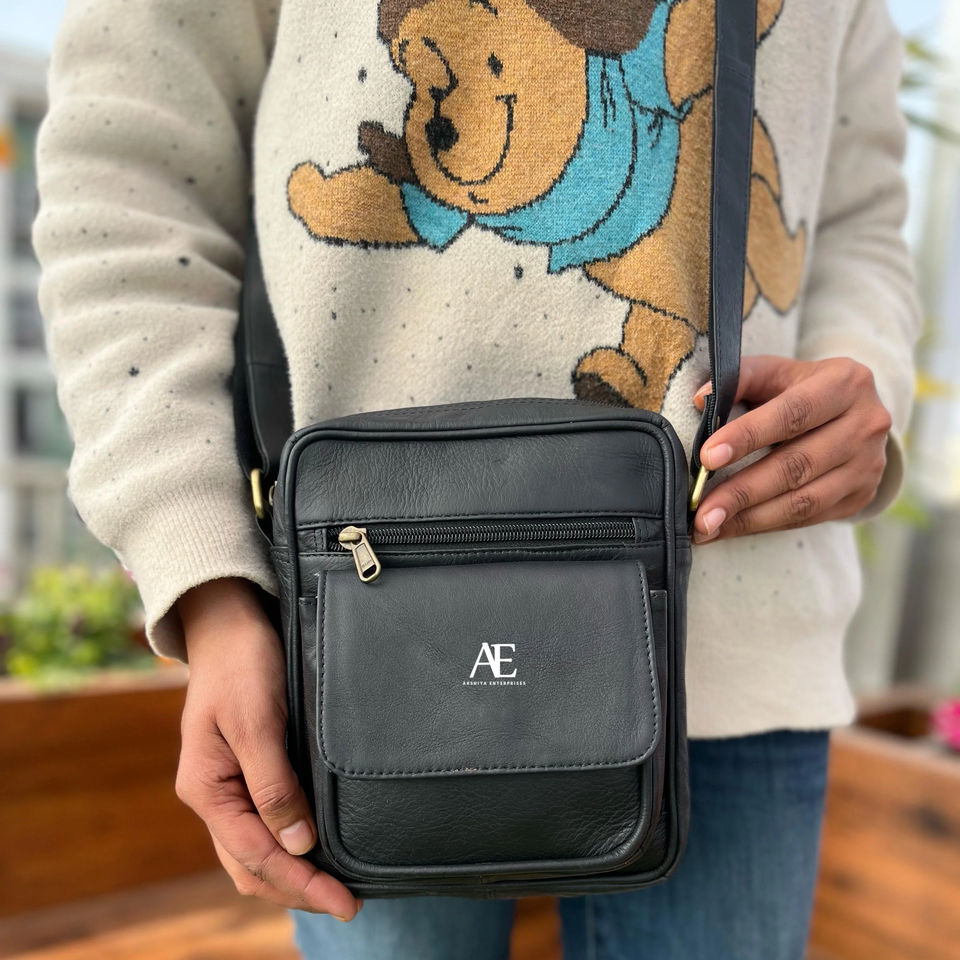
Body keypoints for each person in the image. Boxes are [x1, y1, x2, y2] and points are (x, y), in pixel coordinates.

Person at [33, 0, 919, 957]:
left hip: (743, 639)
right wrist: (208, 588)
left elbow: (859, 214)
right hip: (353, 661)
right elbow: (127, 183)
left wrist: (861, 380)